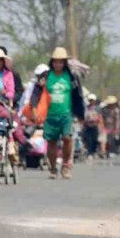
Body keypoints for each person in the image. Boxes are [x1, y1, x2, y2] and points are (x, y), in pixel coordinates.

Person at [30, 47, 84, 179]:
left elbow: (78, 96)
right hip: (50, 114)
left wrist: (81, 114)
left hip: (66, 114)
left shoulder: (71, 77)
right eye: (55, 61)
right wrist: (34, 110)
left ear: (64, 63)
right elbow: (36, 94)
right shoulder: (46, 76)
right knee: (52, 142)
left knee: (67, 138)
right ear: (52, 62)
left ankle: (66, 166)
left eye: (61, 62)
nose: (58, 64)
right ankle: (53, 168)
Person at [83, 93, 103, 158]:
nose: (91, 101)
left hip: (95, 125)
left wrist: (101, 126)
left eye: (92, 100)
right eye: (90, 100)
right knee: (88, 139)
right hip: (88, 126)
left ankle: (94, 152)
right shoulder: (86, 108)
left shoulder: (97, 108)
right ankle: (89, 152)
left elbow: (100, 117)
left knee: (95, 139)